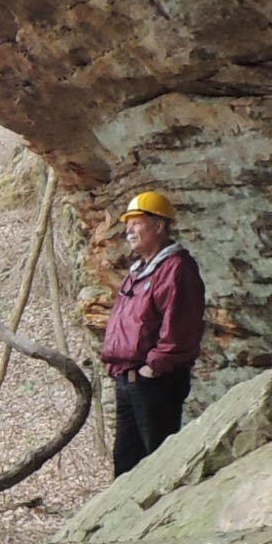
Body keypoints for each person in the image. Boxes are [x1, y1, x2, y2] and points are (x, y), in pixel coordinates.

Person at [100, 192, 204, 475]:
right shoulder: (139, 271)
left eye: (137, 223)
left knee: (157, 465)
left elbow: (181, 326)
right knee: (125, 465)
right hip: (128, 379)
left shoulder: (176, 268)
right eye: (128, 223)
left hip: (155, 382)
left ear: (159, 226)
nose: (129, 230)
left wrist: (154, 367)